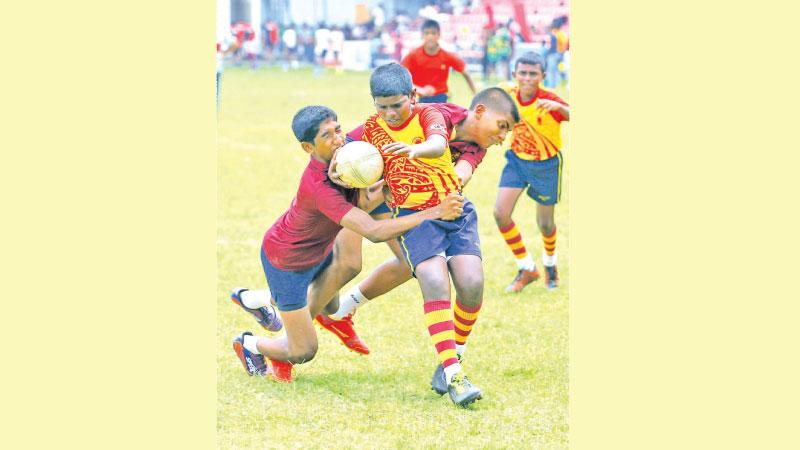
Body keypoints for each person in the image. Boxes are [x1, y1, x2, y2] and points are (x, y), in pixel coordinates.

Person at [231, 105, 464, 385]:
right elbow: (374, 231)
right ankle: (249, 343)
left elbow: (363, 198)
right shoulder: (318, 186)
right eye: (327, 136)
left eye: (338, 129)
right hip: (286, 262)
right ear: (308, 147)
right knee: (303, 350)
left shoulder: (347, 158)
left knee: (330, 307)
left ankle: (255, 299)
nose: (339, 139)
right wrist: (434, 211)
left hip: (320, 252)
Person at [337, 63, 484, 407]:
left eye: (397, 105)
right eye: (381, 106)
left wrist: (415, 150)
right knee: (433, 279)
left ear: (413, 96)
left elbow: (436, 142)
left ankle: (454, 353)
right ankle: (454, 374)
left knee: (472, 284)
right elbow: (343, 149)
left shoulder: (428, 114)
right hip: (416, 219)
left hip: (454, 210)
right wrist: (338, 167)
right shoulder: (372, 130)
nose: (389, 113)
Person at [494, 52, 569, 292]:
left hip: (546, 166)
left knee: (545, 224)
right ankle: (527, 268)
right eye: (522, 73)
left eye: (533, 74)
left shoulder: (549, 100)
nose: (527, 78)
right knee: (500, 213)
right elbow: (484, 104)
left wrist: (560, 107)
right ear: (515, 75)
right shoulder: (508, 94)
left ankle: (550, 266)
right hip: (517, 161)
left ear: (543, 76)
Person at [401, 19, 476, 103]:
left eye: (433, 33)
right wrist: (420, 90)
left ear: (439, 35)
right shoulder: (413, 55)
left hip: (441, 99)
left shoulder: (447, 56)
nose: (430, 36)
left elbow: (466, 73)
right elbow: (400, 77)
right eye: (427, 33)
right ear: (422, 35)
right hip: (420, 99)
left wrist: (476, 95)